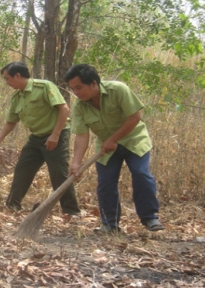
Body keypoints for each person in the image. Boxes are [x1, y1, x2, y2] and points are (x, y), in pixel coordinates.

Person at [64, 64, 164, 233]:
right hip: (106, 147)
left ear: (94, 83)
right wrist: (76, 163)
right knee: (106, 183)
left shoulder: (118, 90)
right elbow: (81, 135)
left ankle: (150, 218)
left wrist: (114, 139)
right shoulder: (80, 106)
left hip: (134, 140)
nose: (76, 93)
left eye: (79, 87)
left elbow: (134, 117)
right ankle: (110, 224)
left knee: (141, 174)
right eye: (73, 89)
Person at [0, 62, 80, 215]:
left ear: (18, 75)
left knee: (58, 173)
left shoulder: (44, 87)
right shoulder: (17, 97)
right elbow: (11, 121)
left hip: (56, 135)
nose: (7, 83)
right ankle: (12, 206)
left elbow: (63, 109)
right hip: (36, 138)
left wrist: (55, 135)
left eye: (8, 79)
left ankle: (71, 211)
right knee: (22, 169)